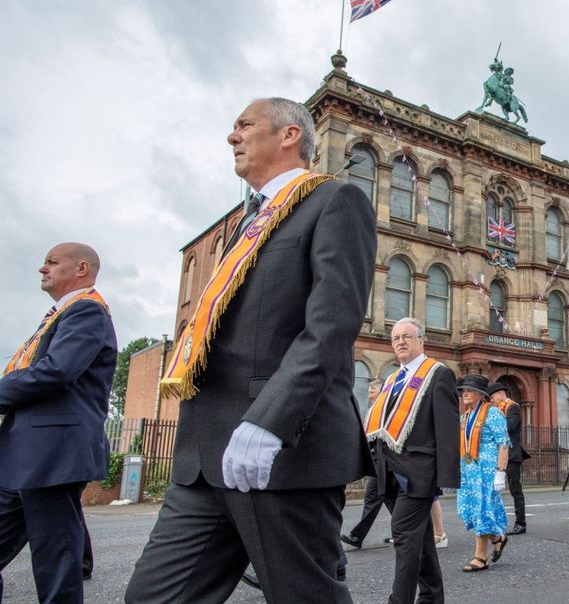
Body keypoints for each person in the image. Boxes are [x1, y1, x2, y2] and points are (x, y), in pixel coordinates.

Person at [126, 97, 377, 604]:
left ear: (289, 135)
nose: (232, 136)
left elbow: (329, 327)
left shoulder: (335, 201)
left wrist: (272, 420)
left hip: (279, 453)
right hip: (203, 456)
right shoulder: (244, 225)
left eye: (244, 125)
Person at [0, 243, 116, 603]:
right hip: (21, 456)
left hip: (52, 455)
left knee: (56, 564)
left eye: (51, 262)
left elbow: (57, 371)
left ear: (81, 268)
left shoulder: (87, 312)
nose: (42, 269)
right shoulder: (58, 315)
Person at [367, 317, 460, 604]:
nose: (401, 342)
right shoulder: (394, 379)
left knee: (404, 534)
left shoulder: (437, 374)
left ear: (421, 342)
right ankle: (432, 597)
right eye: (396, 338)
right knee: (420, 542)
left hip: (420, 473)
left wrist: (445, 478)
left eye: (407, 336)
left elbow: (447, 426)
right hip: (390, 471)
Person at [456, 375, 511, 572]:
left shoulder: (493, 413)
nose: (465, 394)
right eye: (463, 390)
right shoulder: (464, 417)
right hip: (469, 471)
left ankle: (481, 557)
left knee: (483, 509)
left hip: (487, 471)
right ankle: (498, 538)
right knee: (471, 509)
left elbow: (503, 444)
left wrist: (500, 472)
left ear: (481, 394)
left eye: (469, 390)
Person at [342, 379, 394, 549]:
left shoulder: (386, 409)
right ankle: (407, 531)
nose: (369, 395)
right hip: (377, 460)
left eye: (372, 392)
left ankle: (357, 536)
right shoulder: (374, 409)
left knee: (375, 497)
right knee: (386, 498)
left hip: (384, 461)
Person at [489, 381, 529, 535]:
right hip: (497, 455)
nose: (491, 400)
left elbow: (510, 426)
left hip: (511, 455)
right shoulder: (496, 409)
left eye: (492, 397)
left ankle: (521, 523)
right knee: (493, 490)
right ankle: (495, 521)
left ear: (500, 394)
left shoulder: (513, 407)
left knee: (515, 490)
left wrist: (491, 423)